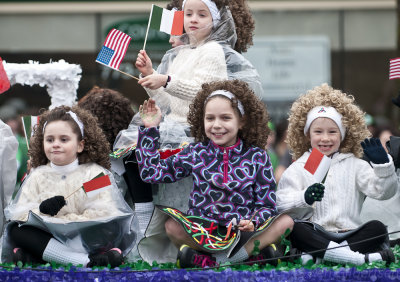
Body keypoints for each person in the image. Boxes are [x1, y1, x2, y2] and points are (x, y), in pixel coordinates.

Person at [117, 0, 262, 240]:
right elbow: (168, 100)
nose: (193, 19)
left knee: (175, 188)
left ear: (215, 22)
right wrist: (150, 76)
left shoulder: (213, 50)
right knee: (134, 155)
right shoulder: (180, 53)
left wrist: (165, 80)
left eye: (202, 15)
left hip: (195, 132)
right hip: (171, 127)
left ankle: (186, 235)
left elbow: (205, 93)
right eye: (189, 14)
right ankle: (146, 221)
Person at [135, 80, 294, 268]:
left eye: (225, 118)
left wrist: (254, 222)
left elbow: (266, 205)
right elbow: (151, 174)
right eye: (210, 118)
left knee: (286, 222)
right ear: (202, 120)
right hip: (204, 231)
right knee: (171, 225)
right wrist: (150, 129)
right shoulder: (195, 152)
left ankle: (217, 261)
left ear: (242, 121)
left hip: (244, 232)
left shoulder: (258, 156)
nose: (216, 125)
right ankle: (246, 258)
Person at [276, 83, 397, 266]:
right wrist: (304, 198)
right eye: (318, 132)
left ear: (343, 134)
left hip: (349, 232)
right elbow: (280, 204)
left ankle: (321, 257)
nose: (325, 138)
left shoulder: (355, 164)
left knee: (378, 228)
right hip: (316, 232)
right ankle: (356, 258)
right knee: (296, 228)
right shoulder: (299, 166)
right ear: (308, 134)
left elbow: (383, 192)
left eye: (333, 132)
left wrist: (383, 167)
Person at [2, 106, 137, 267]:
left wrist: (65, 220)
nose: (56, 144)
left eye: (64, 139)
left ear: (80, 145)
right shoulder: (37, 175)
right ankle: (87, 262)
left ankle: (45, 257)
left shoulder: (95, 174)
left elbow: (106, 211)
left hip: (84, 236)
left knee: (104, 230)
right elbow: (20, 214)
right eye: (50, 139)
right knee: (18, 231)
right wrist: (42, 211)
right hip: (50, 236)